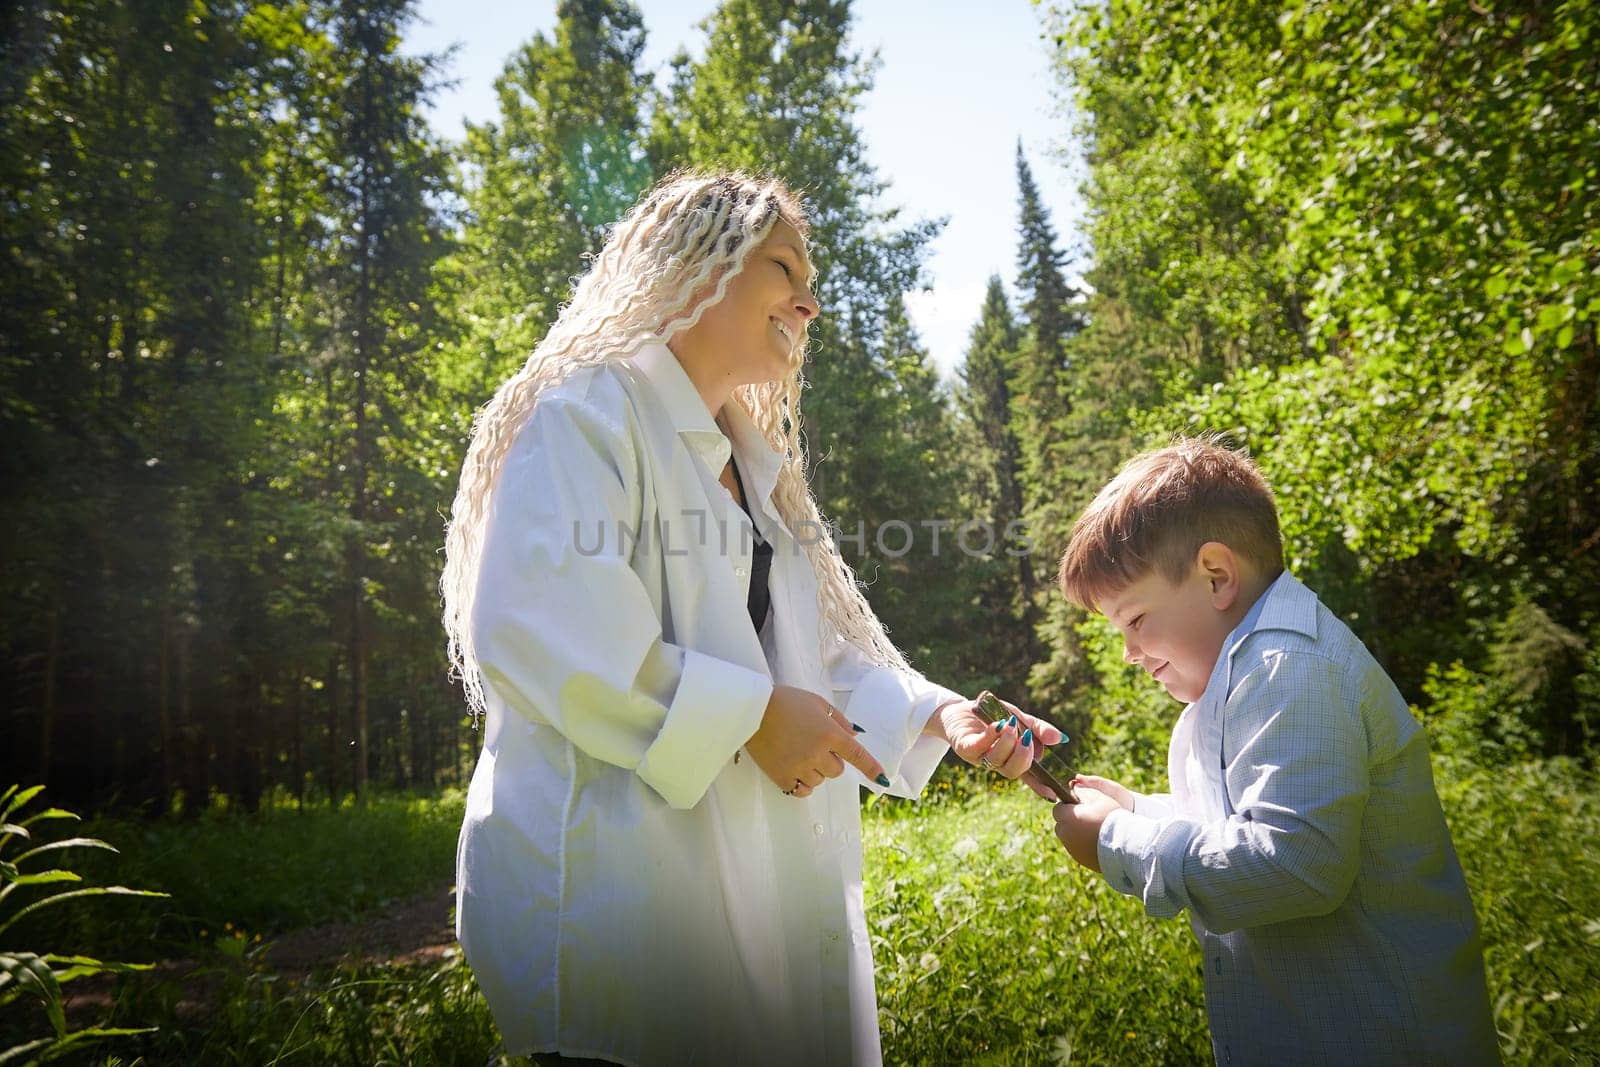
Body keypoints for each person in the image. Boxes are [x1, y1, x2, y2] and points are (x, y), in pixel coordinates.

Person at [441, 169, 1061, 1066]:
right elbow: (547, 631)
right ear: (697, 265)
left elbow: (795, 651)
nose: (808, 304)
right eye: (784, 268)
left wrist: (936, 713)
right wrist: (753, 717)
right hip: (621, 922)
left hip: (750, 906)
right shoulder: (585, 415)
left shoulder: (748, 458)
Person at [1050, 438, 1498, 1066]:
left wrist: (1118, 843)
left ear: (1216, 576)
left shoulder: (1289, 666)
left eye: (1136, 619)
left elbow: (1296, 864)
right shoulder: (1236, 682)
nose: (1128, 651)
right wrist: (1136, 811)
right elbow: (1236, 828)